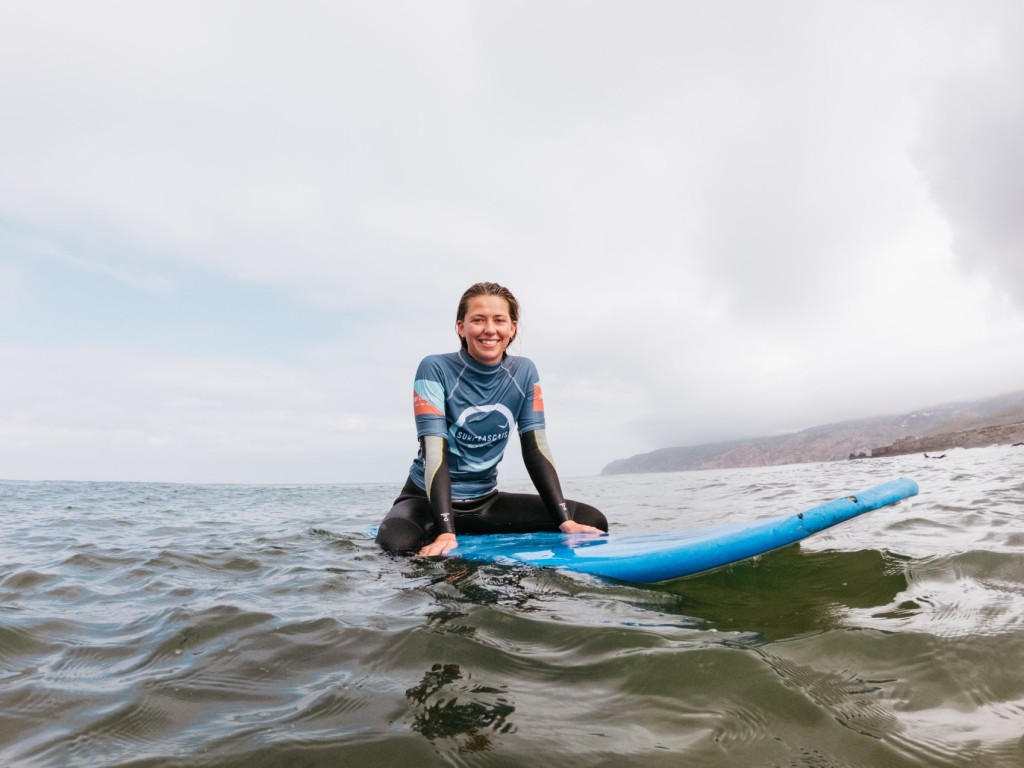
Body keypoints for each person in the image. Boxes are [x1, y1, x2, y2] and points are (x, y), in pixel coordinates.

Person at [376, 281, 608, 556]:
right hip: (425, 502)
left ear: (512, 328)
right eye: (478, 320)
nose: (489, 329)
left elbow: (535, 448)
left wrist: (565, 521)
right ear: (461, 327)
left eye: (499, 320)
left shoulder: (524, 372)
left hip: (485, 502)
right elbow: (434, 452)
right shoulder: (434, 368)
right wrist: (446, 531)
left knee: (591, 521)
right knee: (397, 546)